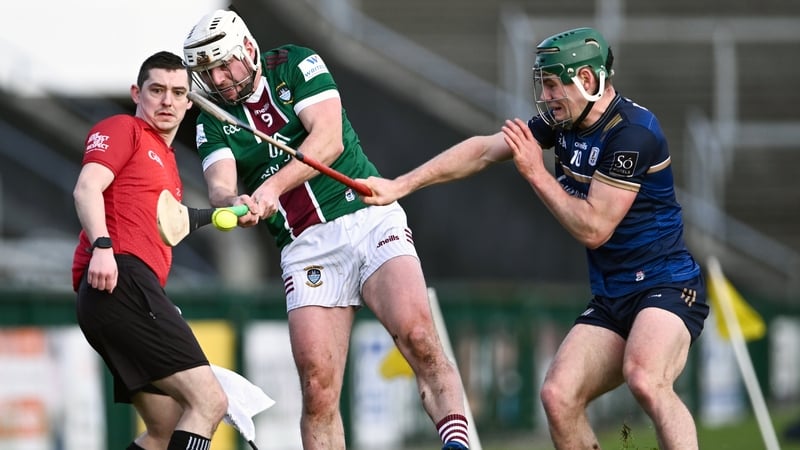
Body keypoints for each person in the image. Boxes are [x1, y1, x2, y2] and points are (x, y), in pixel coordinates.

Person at [358, 27, 710, 450]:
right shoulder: (564, 122)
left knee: (646, 378)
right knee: (558, 397)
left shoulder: (633, 133)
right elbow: (483, 151)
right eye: (543, 84)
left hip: (666, 285)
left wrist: (536, 174)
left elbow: (594, 228)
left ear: (587, 79)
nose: (545, 96)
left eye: (553, 84)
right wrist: (401, 185)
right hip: (612, 295)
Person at [182, 9, 470, 450]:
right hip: (303, 245)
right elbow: (220, 185)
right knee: (318, 388)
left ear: (247, 49)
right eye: (207, 72)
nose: (218, 80)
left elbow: (328, 139)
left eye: (223, 65)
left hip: (367, 217)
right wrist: (235, 203)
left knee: (418, 337)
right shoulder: (212, 118)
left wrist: (271, 187)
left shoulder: (295, 63)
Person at [71, 51, 228, 450]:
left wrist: (233, 210)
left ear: (189, 102)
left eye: (178, 92)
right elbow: (87, 188)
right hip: (119, 280)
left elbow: (171, 221)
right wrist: (102, 246)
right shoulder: (124, 128)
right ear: (136, 93)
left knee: (165, 429)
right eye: (157, 90)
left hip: (120, 293)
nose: (167, 101)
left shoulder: (166, 161)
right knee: (208, 402)